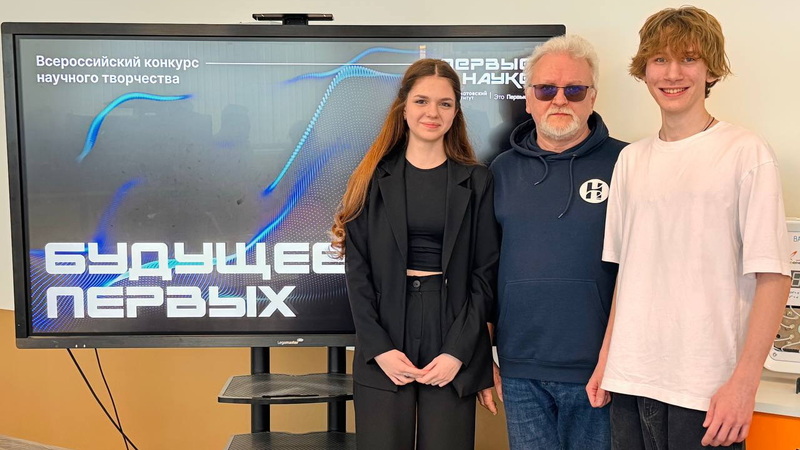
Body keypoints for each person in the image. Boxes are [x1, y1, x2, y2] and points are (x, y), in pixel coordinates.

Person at [586, 6, 791, 449]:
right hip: (629, 380)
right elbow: (627, 274)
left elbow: (774, 276)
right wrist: (606, 361)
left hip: (706, 390)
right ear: (644, 70)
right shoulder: (630, 160)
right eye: (660, 59)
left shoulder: (745, 152)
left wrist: (744, 384)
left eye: (689, 58)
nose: (672, 73)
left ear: (711, 70)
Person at [331, 58, 499, 450]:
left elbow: (485, 274)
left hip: (452, 328)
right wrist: (379, 348)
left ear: (455, 113)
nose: (432, 112)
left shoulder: (478, 181)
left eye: (444, 103)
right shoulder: (370, 178)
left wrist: (458, 352)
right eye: (422, 101)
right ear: (403, 107)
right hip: (385, 328)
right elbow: (358, 273)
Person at [487, 34, 625, 450]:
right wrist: (482, 356)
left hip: (599, 370)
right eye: (546, 89)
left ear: (592, 97)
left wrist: (616, 360)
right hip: (519, 370)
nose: (560, 100)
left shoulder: (628, 164)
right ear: (528, 99)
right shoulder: (500, 171)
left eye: (574, 90)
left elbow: (643, 271)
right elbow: (483, 270)